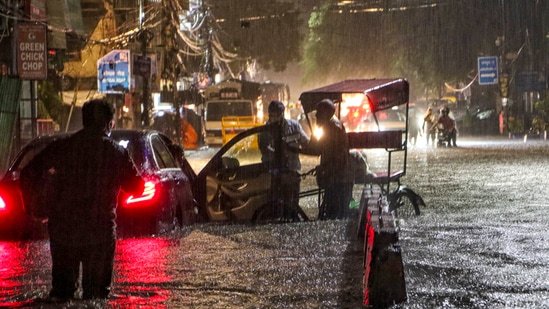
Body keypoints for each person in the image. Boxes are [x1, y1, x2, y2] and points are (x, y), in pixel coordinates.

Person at [21, 99, 143, 301]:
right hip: (100, 232)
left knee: (61, 294)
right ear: (109, 124)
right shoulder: (116, 152)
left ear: (84, 121)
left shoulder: (61, 147)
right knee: (96, 297)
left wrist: (35, 208)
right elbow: (137, 186)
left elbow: (27, 173)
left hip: (63, 231)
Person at [258, 100, 309, 221]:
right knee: (275, 208)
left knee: (292, 207)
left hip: (292, 171)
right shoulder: (264, 131)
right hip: (273, 175)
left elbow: (306, 143)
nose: (274, 118)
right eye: (272, 115)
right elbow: (264, 151)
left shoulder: (294, 126)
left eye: (277, 114)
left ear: (282, 113)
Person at [310, 99, 354, 220]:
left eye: (319, 113)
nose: (317, 116)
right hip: (334, 176)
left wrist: (324, 168)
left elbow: (337, 156)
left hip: (339, 179)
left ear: (326, 114)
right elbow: (316, 149)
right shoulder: (328, 127)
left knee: (334, 216)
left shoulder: (333, 128)